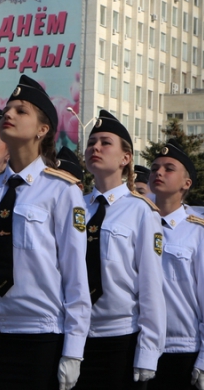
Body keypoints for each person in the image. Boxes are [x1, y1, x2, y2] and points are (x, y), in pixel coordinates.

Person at [0, 74, 91, 390]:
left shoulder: (61, 190)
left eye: (21, 110)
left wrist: (73, 350)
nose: (8, 114)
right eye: (8, 109)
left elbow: (75, 276)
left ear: (42, 129)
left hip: (40, 335)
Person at [74, 110, 166, 390]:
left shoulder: (141, 211)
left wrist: (149, 350)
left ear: (125, 158)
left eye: (105, 142)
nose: (95, 148)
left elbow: (151, 285)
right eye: (91, 143)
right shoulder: (75, 205)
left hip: (120, 337)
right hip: (74, 334)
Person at [147, 140, 204, 390]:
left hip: (181, 347)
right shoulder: (139, 221)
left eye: (168, 169)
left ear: (186, 183)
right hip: (139, 342)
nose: (159, 172)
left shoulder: (199, 231)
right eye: (155, 168)